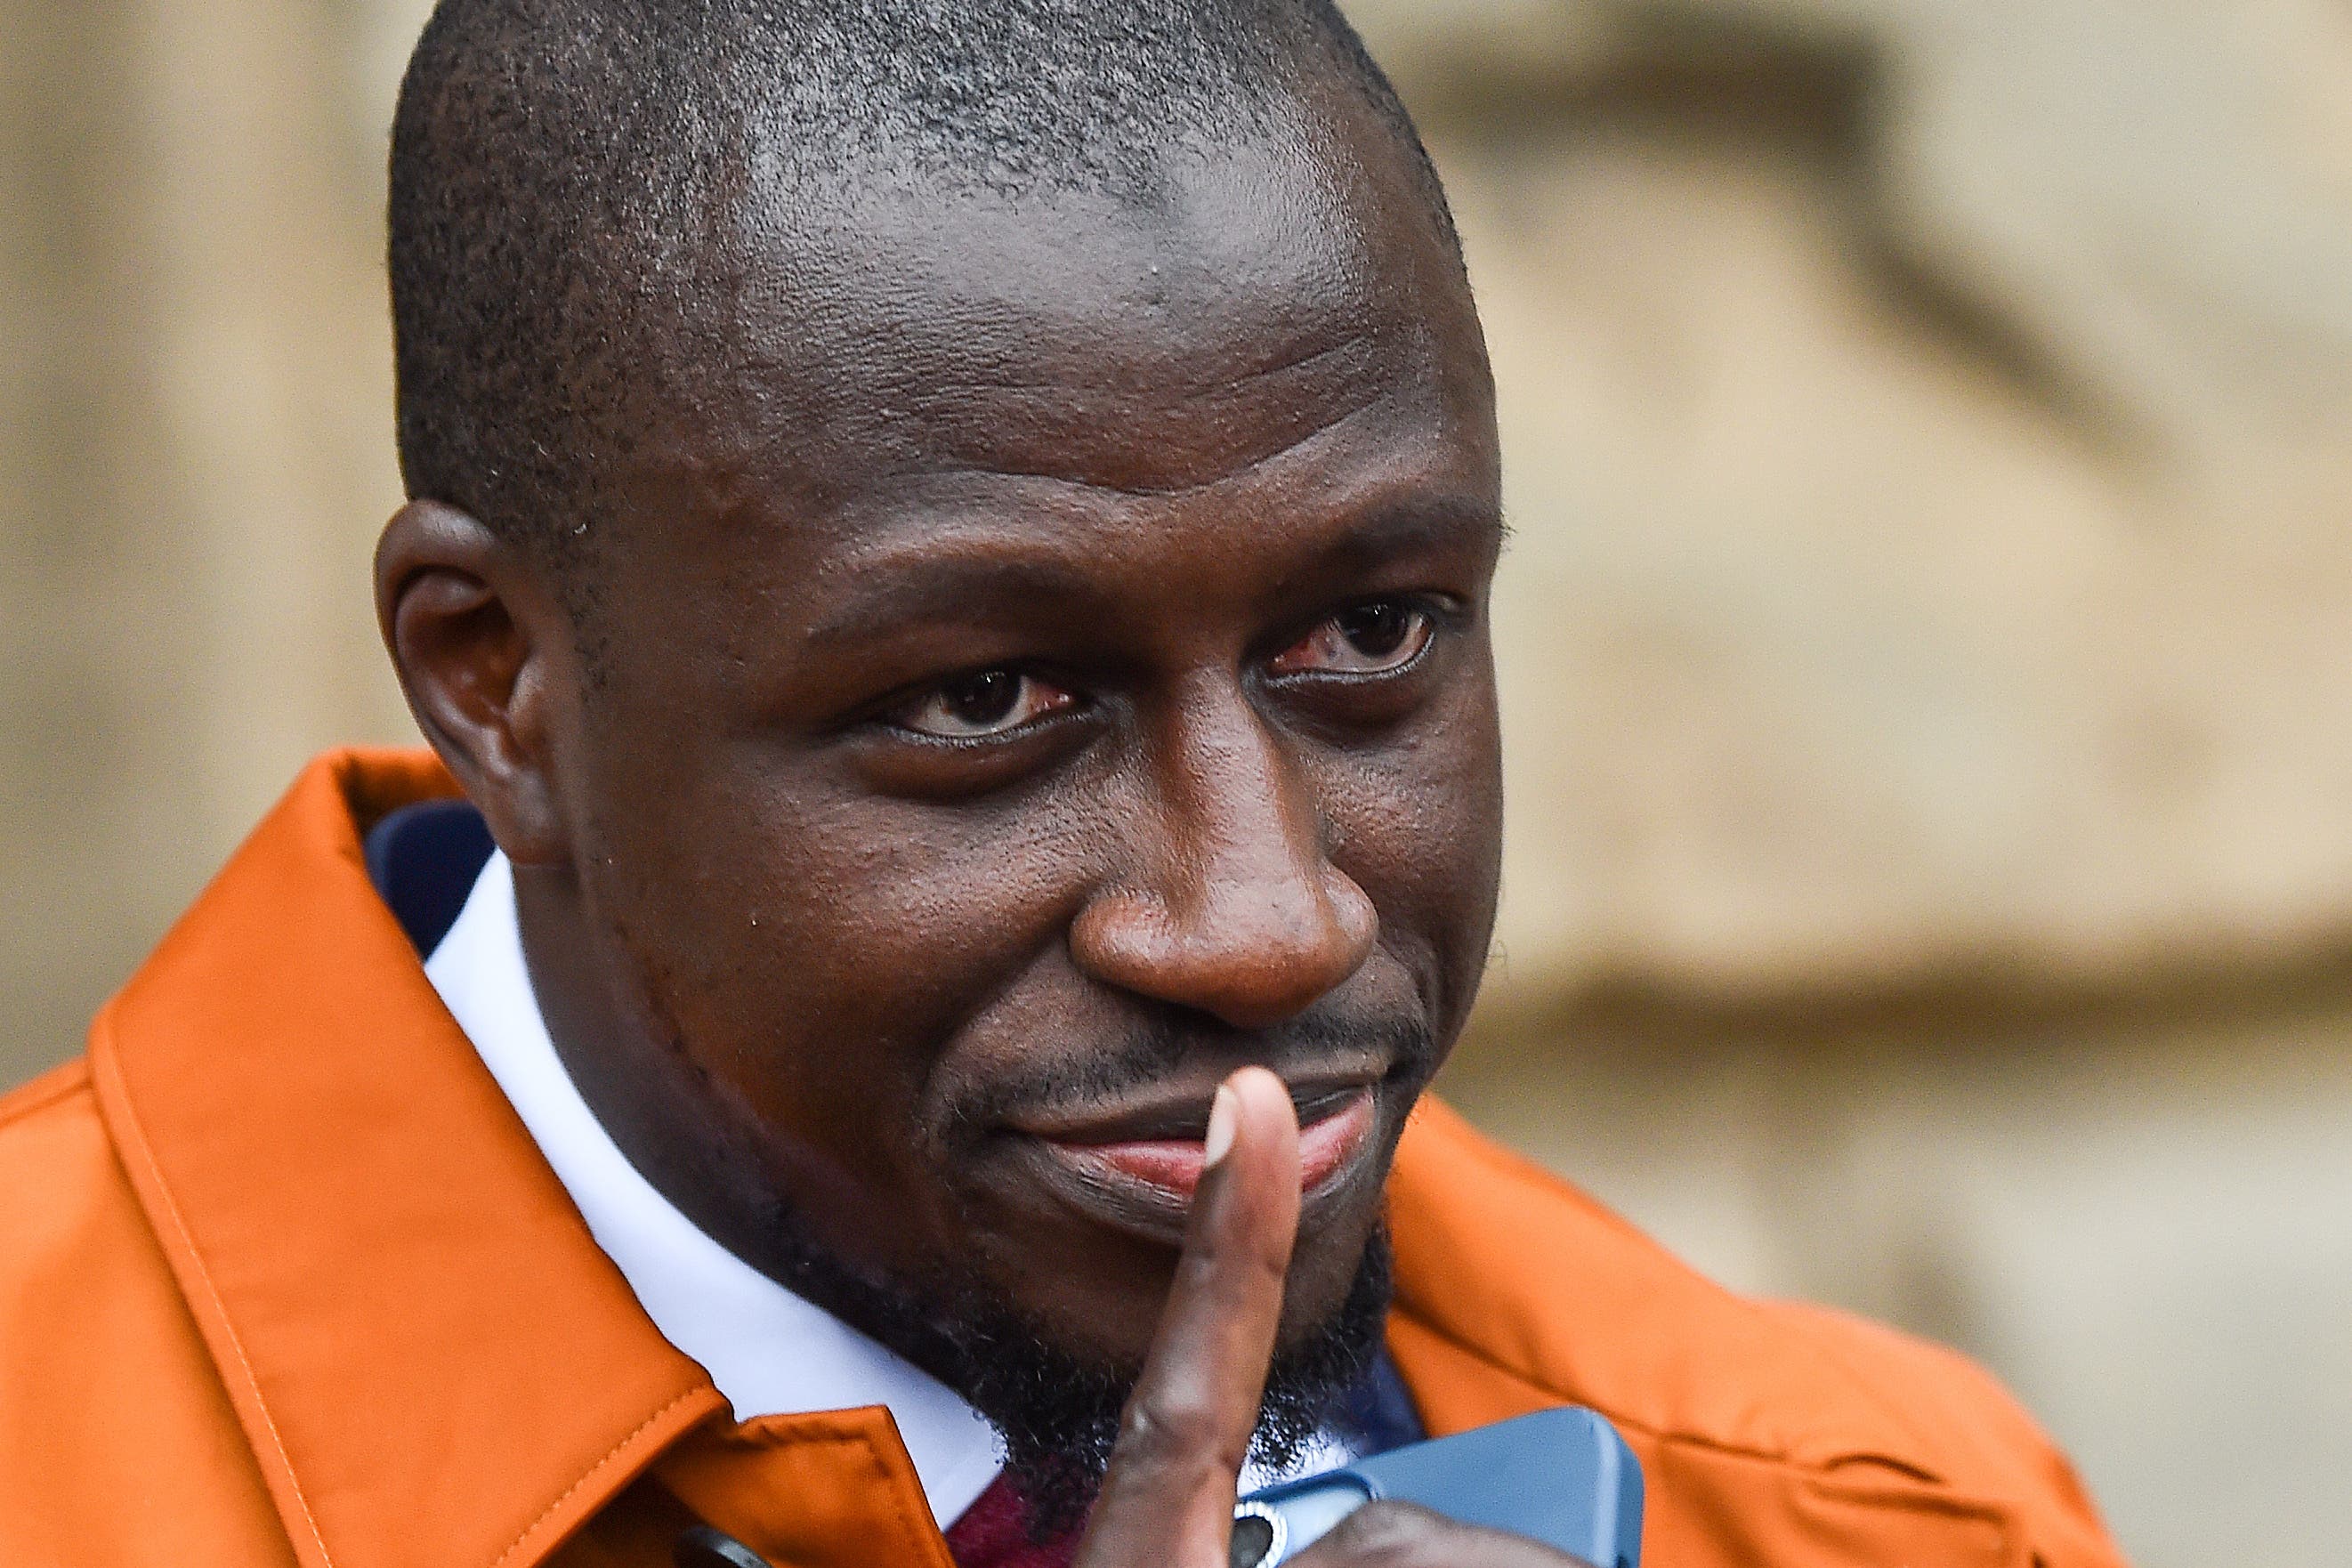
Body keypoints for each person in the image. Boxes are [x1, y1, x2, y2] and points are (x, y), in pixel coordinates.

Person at [0, 2, 2127, 1565]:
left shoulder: (1856, 1505)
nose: (1263, 916)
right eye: (988, 695)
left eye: (1367, 638)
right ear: (500, 681)